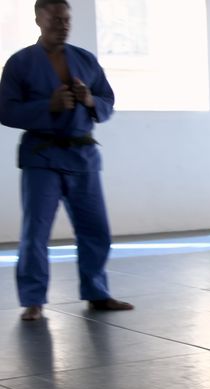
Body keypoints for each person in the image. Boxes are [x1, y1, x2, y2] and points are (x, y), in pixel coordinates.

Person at [0, 0, 133, 321]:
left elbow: (108, 101)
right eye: (56, 19)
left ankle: (97, 292)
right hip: (42, 157)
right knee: (37, 232)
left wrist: (90, 100)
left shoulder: (85, 60)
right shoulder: (20, 63)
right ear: (38, 19)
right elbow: (6, 111)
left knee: (96, 229)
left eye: (67, 19)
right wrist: (50, 105)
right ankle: (33, 300)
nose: (63, 25)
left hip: (83, 155)